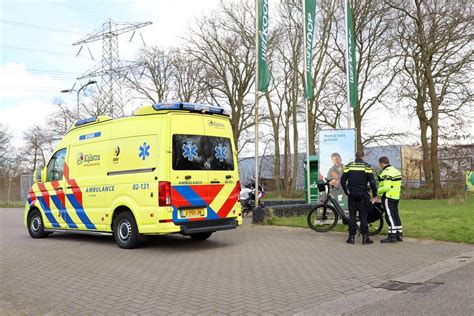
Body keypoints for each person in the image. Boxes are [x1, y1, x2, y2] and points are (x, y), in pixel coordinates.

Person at [340, 151, 377, 245]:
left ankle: (351, 238)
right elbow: (372, 182)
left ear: (356, 156)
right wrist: (375, 195)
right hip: (363, 195)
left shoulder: (349, 166)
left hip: (352, 194)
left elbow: (342, 180)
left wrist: (346, 191)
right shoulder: (366, 166)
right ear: (363, 157)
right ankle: (365, 238)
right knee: (363, 215)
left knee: (352, 215)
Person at [377, 156, 403, 243]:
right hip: (396, 196)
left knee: (389, 216)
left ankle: (392, 236)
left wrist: (378, 191)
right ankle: (399, 234)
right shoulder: (396, 171)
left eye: (379, 164)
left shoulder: (386, 173)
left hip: (388, 196)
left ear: (382, 163)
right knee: (395, 215)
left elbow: (386, 187)